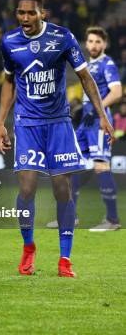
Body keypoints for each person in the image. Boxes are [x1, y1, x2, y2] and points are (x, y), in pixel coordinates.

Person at [0, 0, 113, 278]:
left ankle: (64, 258)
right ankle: (28, 247)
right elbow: (9, 83)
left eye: (30, 13)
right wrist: (1, 122)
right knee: (26, 189)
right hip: (27, 123)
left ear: (42, 14)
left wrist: (101, 114)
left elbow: (85, 77)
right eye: (20, 13)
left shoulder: (62, 38)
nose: (24, 18)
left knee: (63, 190)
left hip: (58, 122)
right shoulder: (10, 42)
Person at [46, 26, 122, 231]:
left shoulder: (107, 64)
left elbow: (117, 92)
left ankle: (113, 220)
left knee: (100, 166)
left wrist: (99, 108)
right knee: (71, 165)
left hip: (99, 122)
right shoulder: (87, 64)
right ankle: (71, 216)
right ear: (86, 43)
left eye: (98, 41)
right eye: (90, 41)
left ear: (104, 44)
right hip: (85, 122)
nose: (93, 45)